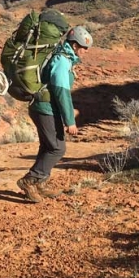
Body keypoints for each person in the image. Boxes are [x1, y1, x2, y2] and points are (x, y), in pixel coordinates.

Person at [17, 26, 93, 203]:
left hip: (45, 107)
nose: (85, 52)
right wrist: (70, 121)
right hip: (44, 109)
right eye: (84, 48)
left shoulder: (63, 57)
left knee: (47, 146)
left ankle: (40, 183)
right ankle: (29, 180)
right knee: (58, 148)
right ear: (74, 46)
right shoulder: (62, 61)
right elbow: (61, 92)